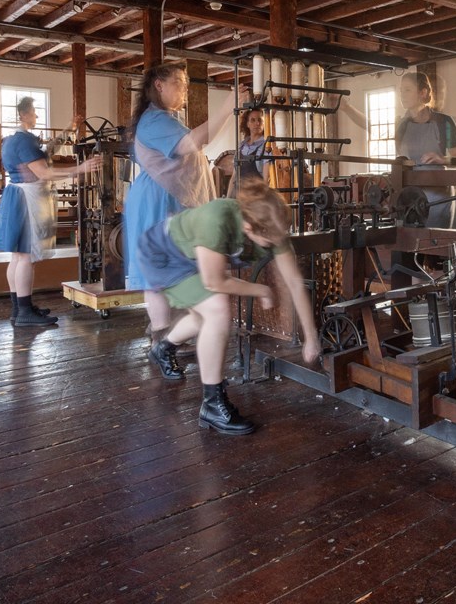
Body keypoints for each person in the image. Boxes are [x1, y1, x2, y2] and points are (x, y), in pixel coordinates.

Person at [138, 176, 319, 434]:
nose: (278, 241)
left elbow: (294, 281)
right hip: (162, 254)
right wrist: (261, 289)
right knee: (217, 308)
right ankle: (212, 405)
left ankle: (164, 348)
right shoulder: (217, 217)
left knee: (204, 319)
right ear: (248, 226)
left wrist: (311, 338)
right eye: (270, 238)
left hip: (191, 256)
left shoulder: (271, 225)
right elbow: (214, 282)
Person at [123, 64, 246, 360]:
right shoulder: (154, 120)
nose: (184, 89)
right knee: (158, 272)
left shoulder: (165, 119)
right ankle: (162, 339)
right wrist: (229, 107)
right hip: (158, 200)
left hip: (169, 198)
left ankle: (173, 337)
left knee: (184, 269)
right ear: (159, 85)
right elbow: (194, 141)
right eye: (178, 82)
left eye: (186, 83)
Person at [0, 97, 99, 326]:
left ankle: (19, 309)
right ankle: (25, 312)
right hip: (26, 199)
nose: (37, 116)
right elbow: (45, 173)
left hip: (17, 196)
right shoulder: (24, 142)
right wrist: (81, 168)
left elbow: (47, 151)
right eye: (34, 112)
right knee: (27, 256)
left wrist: (70, 128)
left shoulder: (12, 140)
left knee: (18, 256)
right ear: (24, 115)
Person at [395, 72, 456, 228]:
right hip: (411, 197)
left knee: (439, 241)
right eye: (401, 91)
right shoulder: (402, 126)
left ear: (423, 92)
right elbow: (400, 160)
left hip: (439, 196)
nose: (402, 95)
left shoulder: (444, 122)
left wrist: (442, 159)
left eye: (407, 90)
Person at [232, 109, 273, 191]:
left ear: (264, 123)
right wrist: (228, 198)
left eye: (260, 120)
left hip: (256, 196)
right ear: (247, 124)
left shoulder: (266, 146)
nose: (257, 123)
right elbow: (234, 177)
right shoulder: (241, 146)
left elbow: (266, 179)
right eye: (253, 120)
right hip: (239, 195)